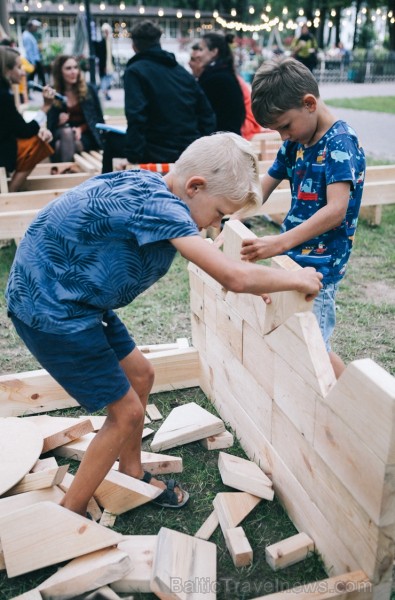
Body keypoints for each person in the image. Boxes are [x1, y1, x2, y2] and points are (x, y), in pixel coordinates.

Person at [6, 132, 323, 516]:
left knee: (141, 375)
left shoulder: (154, 187)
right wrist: (297, 279)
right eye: (219, 213)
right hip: (54, 311)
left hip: (73, 296)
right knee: (128, 414)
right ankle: (69, 515)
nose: (214, 226)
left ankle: (132, 471)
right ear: (195, 187)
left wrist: (261, 287)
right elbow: (232, 278)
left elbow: (219, 263)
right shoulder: (166, 209)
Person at [243, 57, 366, 378]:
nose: (283, 136)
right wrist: (228, 215)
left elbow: (335, 210)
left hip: (320, 269)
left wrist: (278, 242)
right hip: (290, 261)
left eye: (284, 126)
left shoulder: (340, 143)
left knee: (313, 351)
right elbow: (262, 189)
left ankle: (346, 409)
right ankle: (343, 394)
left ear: (309, 103)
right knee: (298, 338)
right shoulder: (296, 141)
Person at [101, 20, 216, 173]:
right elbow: (207, 114)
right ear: (158, 42)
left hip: (156, 149)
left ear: (134, 46)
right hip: (188, 146)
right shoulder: (180, 72)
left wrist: (133, 156)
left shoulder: (135, 71)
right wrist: (199, 147)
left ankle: (107, 193)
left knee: (110, 141)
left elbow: (136, 115)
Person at [0, 46, 54, 192]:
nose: (23, 73)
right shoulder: (4, 96)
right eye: (19, 67)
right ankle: (10, 194)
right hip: (3, 154)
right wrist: (45, 107)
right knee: (38, 143)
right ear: (6, 70)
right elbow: (24, 131)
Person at [46, 55, 104, 162]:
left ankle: (64, 173)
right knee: (66, 133)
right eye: (68, 68)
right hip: (61, 133)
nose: (73, 72)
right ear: (60, 72)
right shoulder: (54, 93)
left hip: (86, 134)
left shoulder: (89, 90)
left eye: (75, 67)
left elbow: (98, 119)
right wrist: (59, 121)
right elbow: (49, 125)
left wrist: (80, 129)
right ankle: (67, 173)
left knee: (60, 146)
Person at [198, 32, 245, 135]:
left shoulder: (214, 78)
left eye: (201, 49)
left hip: (219, 143)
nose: (198, 54)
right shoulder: (224, 74)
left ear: (214, 51)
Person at [22, 19, 46, 87]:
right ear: (31, 26)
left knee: (33, 77)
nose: (36, 28)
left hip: (35, 60)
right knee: (37, 77)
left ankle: (28, 90)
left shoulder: (29, 35)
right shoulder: (26, 36)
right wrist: (33, 63)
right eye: (35, 26)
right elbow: (29, 50)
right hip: (33, 60)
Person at [95, 23, 114, 101]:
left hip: (109, 65)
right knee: (104, 80)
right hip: (104, 65)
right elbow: (101, 55)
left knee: (109, 79)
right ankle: (104, 93)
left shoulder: (109, 42)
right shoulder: (101, 42)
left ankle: (103, 91)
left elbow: (110, 55)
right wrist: (104, 66)